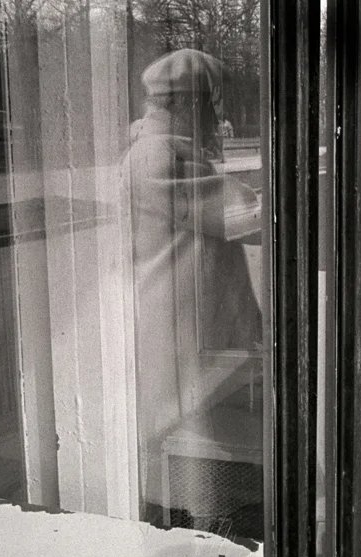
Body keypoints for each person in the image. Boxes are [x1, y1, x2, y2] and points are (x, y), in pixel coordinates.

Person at [123, 48, 263, 521]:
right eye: (209, 103)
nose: (216, 116)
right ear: (184, 101)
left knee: (195, 433)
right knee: (177, 437)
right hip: (177, 323)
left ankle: (194, 522)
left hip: (194, 321)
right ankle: (172, 530)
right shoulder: (157, 156)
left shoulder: (177, 150)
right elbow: (232, 214)